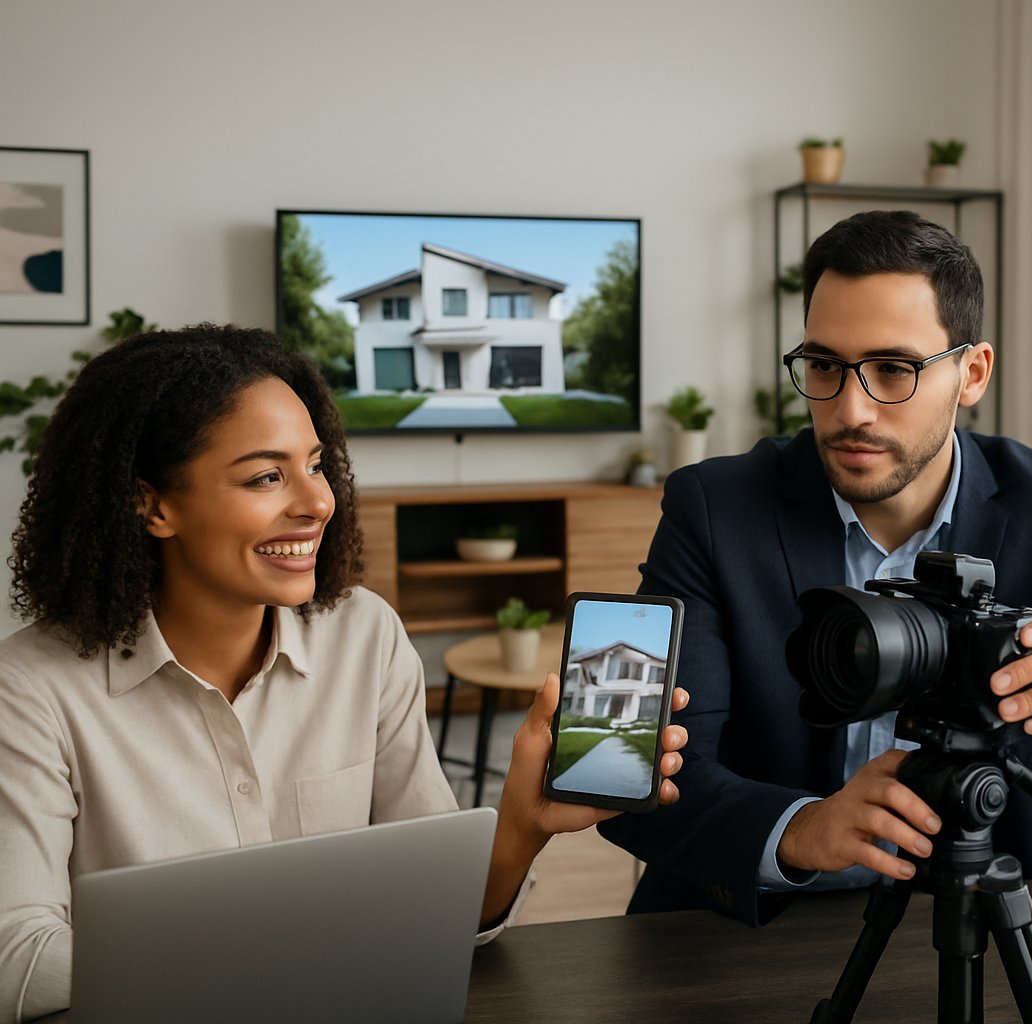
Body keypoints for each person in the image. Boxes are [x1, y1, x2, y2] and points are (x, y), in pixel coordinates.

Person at [0, 324, 688, 1022]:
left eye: (316, 465)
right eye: (267, 476)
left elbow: (437, 916)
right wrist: (294, 941)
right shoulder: (30, 688)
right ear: (153, 505)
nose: (317, 502)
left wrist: (520, 824)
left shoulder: (365, 635)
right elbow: (16, 962)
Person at [600, 210, 1032, 926]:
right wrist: (800, 830)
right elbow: (614, 769)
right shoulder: (710, 506)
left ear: (973, 373)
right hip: (747, 936)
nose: (852, 410)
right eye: (824, 366)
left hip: (998, 933)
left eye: (893, 370)